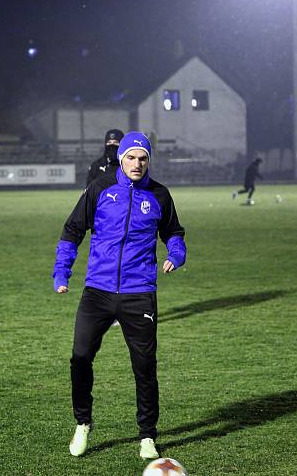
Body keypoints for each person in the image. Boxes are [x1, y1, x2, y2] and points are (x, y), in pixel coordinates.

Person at [52, 131, 187, 460]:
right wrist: (61, 271)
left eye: (143, 158)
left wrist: (177, 253)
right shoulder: (100, 188)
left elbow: (173, 231)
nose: (137, 164)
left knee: (144, 367)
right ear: (121, 158)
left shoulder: (160, 195)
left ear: (149, 161)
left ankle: (147, 436)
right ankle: (83, 423)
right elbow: (73, 229)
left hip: (139, 292)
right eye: (131, 157)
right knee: (80, 357)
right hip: (97, 290)